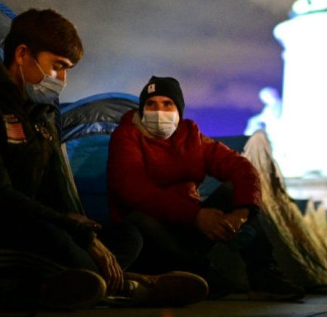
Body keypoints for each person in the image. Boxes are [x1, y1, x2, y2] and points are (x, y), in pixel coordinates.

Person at [0, 9, 207, 310]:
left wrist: (75, 221)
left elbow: (50, 186)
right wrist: (72, 231)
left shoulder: (38, 114)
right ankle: (136, 287)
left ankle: (72, 284)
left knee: (126, 236)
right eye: (57, 66)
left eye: (67, 69)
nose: (62, 79)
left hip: (34, 221)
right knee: (62, 243)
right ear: (22, 54)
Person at [107, 75, 305, 301]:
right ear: (142, 110)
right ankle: (201, 273)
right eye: (151, 104)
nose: (158, 111)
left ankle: (263, 275)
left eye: (167, 104)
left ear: (178, 109)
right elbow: (133, 190)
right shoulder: (126, 135)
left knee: (233, 192)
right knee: (140, 219)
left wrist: (241, 213)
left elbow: (243, 168)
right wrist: (196, 216)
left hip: (188, 228)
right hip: (151, 236)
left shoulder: (191, 137)